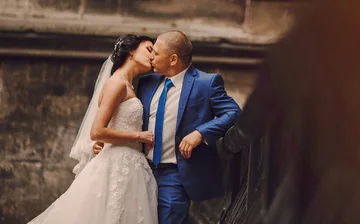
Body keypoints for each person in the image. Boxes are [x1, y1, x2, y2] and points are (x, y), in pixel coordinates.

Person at [96, 30, 241, 224]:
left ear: (173, 59)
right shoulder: (146, 83)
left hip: (174, 175)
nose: (151, 56)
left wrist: (200, 133)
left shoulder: (206, 83)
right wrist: (103, 142)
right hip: (138, 170)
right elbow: (122, 116)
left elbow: (233, 112)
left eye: (155, 52)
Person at [29, 34, 158, 224]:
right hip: (115, 164)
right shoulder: (117, 83)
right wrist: (139, 136)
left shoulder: (129, 85)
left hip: (130, 165)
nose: (153, 55)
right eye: (149, 49)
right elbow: (96, 131)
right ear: (131, 51)